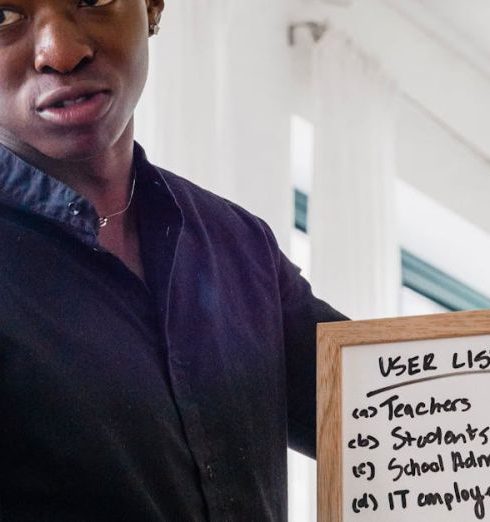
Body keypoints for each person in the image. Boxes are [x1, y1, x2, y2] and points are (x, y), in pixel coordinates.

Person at [0, 0, 346, 520]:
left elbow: (400, 415)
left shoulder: (240, 244)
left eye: (92, 0)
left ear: (153, 7)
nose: (61, 52)